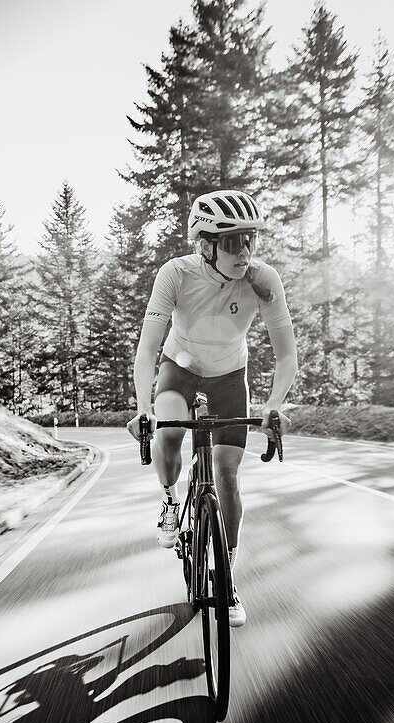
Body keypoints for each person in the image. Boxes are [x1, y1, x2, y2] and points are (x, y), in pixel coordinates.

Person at [127, 189, 298, 627]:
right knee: (168, 432)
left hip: (228, 376)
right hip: (178, 367)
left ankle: (227, 582)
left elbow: (286, 356)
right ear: (204, 245)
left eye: (249, 241)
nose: (243, 251)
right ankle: (170, 499)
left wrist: (274, 405)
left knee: (227, 476)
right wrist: (144, 408)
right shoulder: (176, 274)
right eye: (230, 242)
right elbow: (147, 351)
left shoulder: (263, 279)